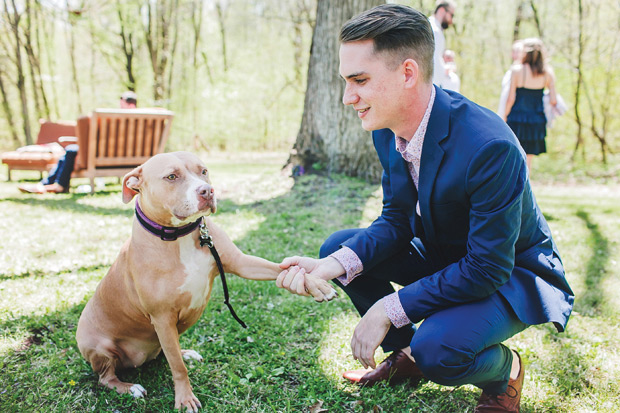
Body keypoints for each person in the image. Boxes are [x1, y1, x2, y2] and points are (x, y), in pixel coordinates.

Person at [276, 5, 573, 412]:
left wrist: (389, 308)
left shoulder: (491, 147)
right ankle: (407, 358)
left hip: (510, 272)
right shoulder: (387, 125)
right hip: (447, 254)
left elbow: (488, 267)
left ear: (408, 74)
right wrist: (330, 267)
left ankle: (504, 371)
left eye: (360, 81)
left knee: (439, 349)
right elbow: (397, 220)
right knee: (339, 249)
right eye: (346, 82)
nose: (349, 98)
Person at [18, 92, 138, 194]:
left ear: (124, 102)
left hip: (105, 156)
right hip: (130, 157)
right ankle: (47, 184)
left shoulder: (114, 118)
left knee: (70, 150)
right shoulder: (142, 121)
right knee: (67, 153)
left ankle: (57, 185)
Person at [504, 38, 557, 170]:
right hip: (536, 119)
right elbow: (553, 100)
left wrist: (504, 116)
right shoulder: (548, 73)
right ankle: (526, 185)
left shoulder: (517, 71)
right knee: (529, 159)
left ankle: (513, 186)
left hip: (517, 117)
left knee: (514, 154)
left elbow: (511, 98)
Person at [428, 1, 456, 89]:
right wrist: (445, 70)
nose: (451, 21)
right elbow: (433, 60)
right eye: (451, 15)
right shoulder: (434, 30)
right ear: (442, 10)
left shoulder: (434, 28)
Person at [497, 40, 524, 119]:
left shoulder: (519, 72)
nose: (515, 54)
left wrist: (505, 114)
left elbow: (511, 98)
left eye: (518, 51)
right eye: (514, 51)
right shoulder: (510, 71)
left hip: (515, 115)